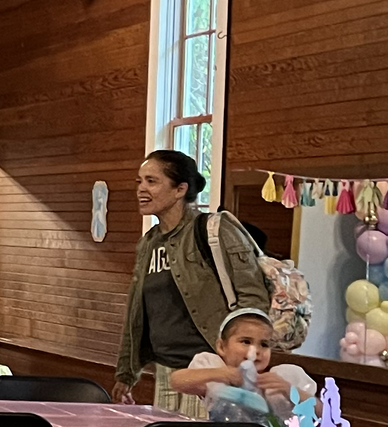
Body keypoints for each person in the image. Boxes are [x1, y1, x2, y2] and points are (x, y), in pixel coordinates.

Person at [114, 149, 271, 410]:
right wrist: (126, 372)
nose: (141, 189)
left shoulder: (215, 230)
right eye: (139, 182)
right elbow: (136, 312)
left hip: (210, 372)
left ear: (180, 189)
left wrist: (242, 363)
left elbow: (253, 299)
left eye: (151, 181)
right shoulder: (148, 243)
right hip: (166, 372)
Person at [169, 308, 315, 423]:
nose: (255, 351)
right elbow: (177, 381)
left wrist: (290, 391)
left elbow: (321, 412)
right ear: (221, 346)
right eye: (245, 341)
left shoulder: (280, 378)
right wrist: (221, 374)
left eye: (264, 344)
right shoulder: (217, 379)